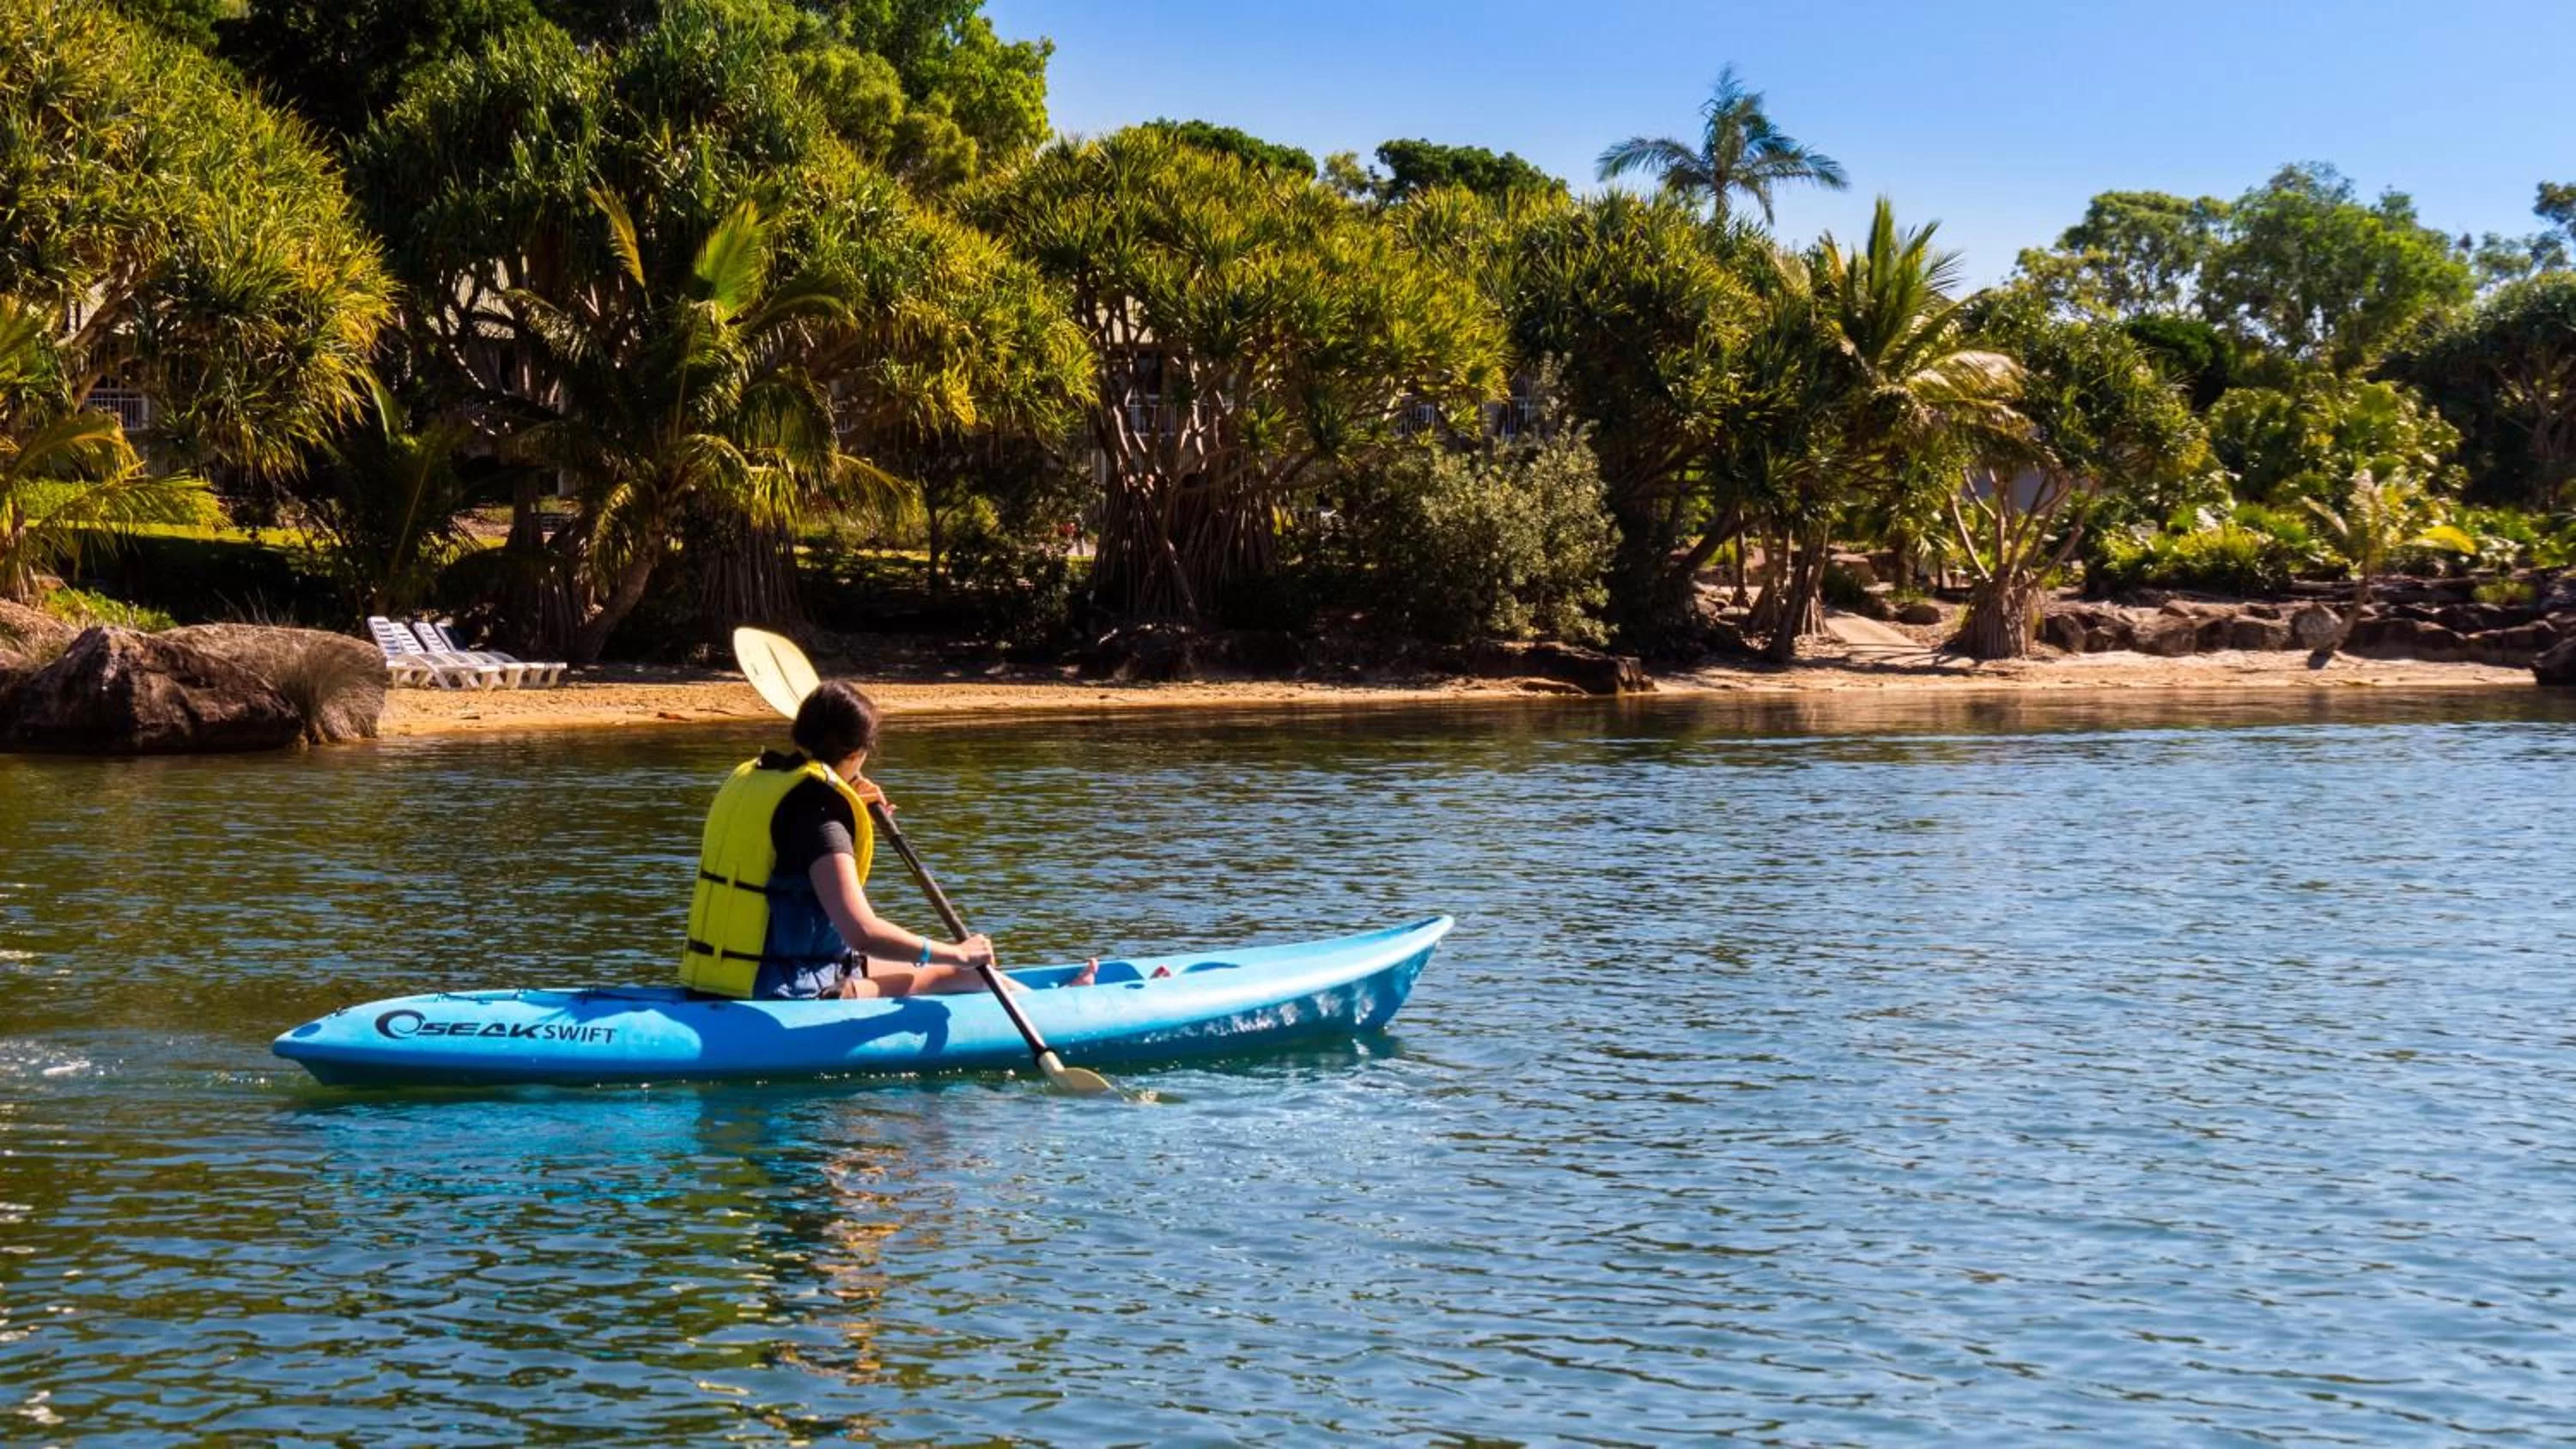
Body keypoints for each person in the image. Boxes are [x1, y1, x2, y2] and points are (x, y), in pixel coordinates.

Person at [681, 681, 1085, 1000]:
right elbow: (862, 932)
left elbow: (787, 843)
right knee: (963, 973)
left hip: (720, 976)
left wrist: (848, 796)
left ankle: (1046, 998)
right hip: (786, 991)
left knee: (933, 966)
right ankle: (1064, 1010)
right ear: (858, 751)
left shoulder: (760, 776)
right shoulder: (823, 819)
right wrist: (957, 953)